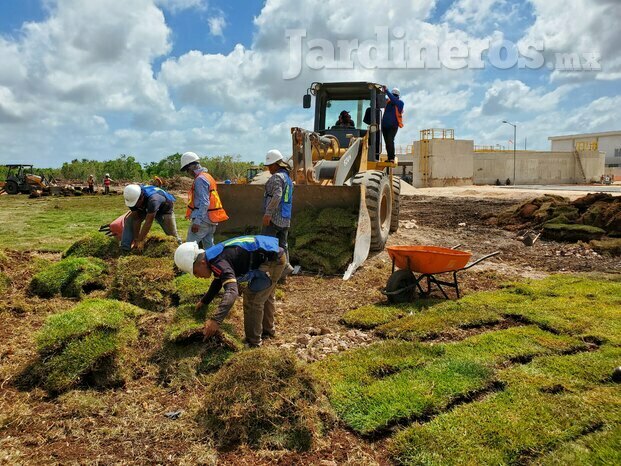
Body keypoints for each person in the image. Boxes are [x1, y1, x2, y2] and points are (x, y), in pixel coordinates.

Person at [174, 236, 287, 347]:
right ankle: (268, 332)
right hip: (272, 253)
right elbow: (218, 280)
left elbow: (232, 291)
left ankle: (253, 343)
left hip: (273, 260)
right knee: (265, 293)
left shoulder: (218, 262)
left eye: (196, 272)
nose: (198, 277)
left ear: (202, 263)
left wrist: (215, 320)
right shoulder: (211, 256)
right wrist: (205, 301)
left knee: (253, 298)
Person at [180, 151, 228, 249]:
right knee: (209, 248)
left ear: (191, 168)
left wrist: (197, 222)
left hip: (202, 221)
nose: (188, 174)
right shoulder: (208, 176)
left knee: (188, 248)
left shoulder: (199, 179)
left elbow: (204, 202)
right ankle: (212, 263)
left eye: (187, 170)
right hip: (211, 220)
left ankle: (187, 264)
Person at [121, 184, 182, 253]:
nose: (135, 205)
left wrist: (140, 240)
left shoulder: (153, 199)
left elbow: (148, 223)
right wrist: (136, 239)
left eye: (136, 203)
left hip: (164, 210)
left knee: (171, 234)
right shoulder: (132, 196)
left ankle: (180, 249)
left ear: (141, 197)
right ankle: (125, 248)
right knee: (130, 220)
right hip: (146, 206)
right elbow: (136, 219)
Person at [262, 149, 294, 277]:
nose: (268, 168)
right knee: (283, 246)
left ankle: (265, 273)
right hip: (285, 216)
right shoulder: (287, 177)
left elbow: (277, 195)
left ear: (276, 164)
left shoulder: (276, 177)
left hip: (274, 217)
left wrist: (268, 213)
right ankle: (284, 272)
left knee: (266, 244)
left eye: (270, 165)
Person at [381, 86, 404, 162]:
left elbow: (393, 100)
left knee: (390, 141)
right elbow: (380, 100)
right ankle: (389, 157)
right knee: (387, 142)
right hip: (384, 126)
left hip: (393, 126)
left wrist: (387, 91)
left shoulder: (400, 103)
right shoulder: (387, 102)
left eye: (393, 95)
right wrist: (382, 92)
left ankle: (391, 158)